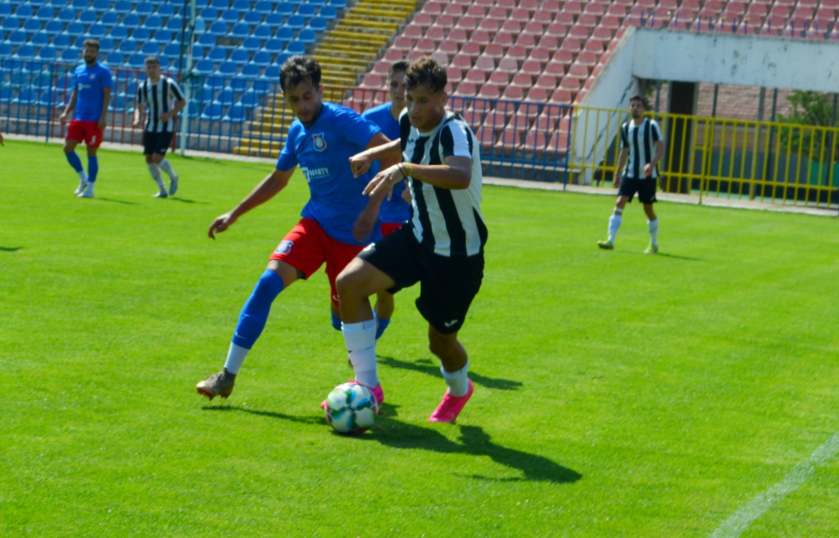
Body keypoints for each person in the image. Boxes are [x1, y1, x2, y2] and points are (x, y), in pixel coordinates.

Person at [195, 56, 392, 402]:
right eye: (293, 100)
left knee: (343, 323)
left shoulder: (343, 121)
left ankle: (367, 365)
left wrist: (372, 209)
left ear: (319, 90)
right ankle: (227, 375)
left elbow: (390, 154)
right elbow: (278, 179)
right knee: (267, 282)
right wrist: (235, 213)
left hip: (353, 237)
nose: (302, 106)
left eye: (307, 96)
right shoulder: (297, 131)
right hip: (314, 226)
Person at [338, 57, 488, 423]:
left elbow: (460, 174)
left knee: (440, 343)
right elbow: (404, 144)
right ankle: (368, 388)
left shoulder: (455, 131)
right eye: (410, 98)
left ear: (442, 96)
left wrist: (403, 169)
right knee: (350, 284)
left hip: (456, 256)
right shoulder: (409, 121)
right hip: (418, 236)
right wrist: (372, 155)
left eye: (424, 100)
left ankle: (459, 390)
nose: (414, 109)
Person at [360, 59, 411, 340]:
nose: (399, 91)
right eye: (394, 84)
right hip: (372, 213)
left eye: (405, 85)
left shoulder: (420, 123)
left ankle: (370, 337)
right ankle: (365, 335)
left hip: (403, 217)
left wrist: (411, 188)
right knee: (360, 277)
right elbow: (359, 161)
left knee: (382, 286)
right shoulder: (372, 118)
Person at [597, 95, 664, 254]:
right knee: (619, 202)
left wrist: (652, 164)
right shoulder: (626, 127)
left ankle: (653, 243)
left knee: (648, 209)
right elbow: (624, 151)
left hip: (648, 175)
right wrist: (617, 172)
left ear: (644, 109)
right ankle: (610, 240)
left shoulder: (652, 125)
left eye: (638, 105)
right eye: (632, 105)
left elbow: (661, 148)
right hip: (630, 173)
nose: (635, 108)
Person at [59, 39, 112, 199]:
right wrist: (66, 112)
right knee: (67, 148)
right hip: (78, 118)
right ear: (83, 52)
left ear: (97, 53)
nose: (88, 53)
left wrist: (103, 117)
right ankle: (83, 178)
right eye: (86, 50)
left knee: (91, 152)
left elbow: (107, 95)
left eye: (92, 51)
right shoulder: (79, 70)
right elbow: (75, 93)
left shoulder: (103, 71)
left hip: (94, 120)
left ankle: (90, 188)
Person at [132, 56, 186, 198]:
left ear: (159, 68)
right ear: (145, 69)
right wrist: (138, 118)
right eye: (148, 67)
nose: (151, 70)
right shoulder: (143, 86)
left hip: (165, 127)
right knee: (149, 159)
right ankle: (161, 189)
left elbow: (182, 101)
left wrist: (170, 114)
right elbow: (140, 105)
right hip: (150, 126)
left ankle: (174, 177)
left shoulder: (168, 83)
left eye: (154, 67)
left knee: (157, 157)